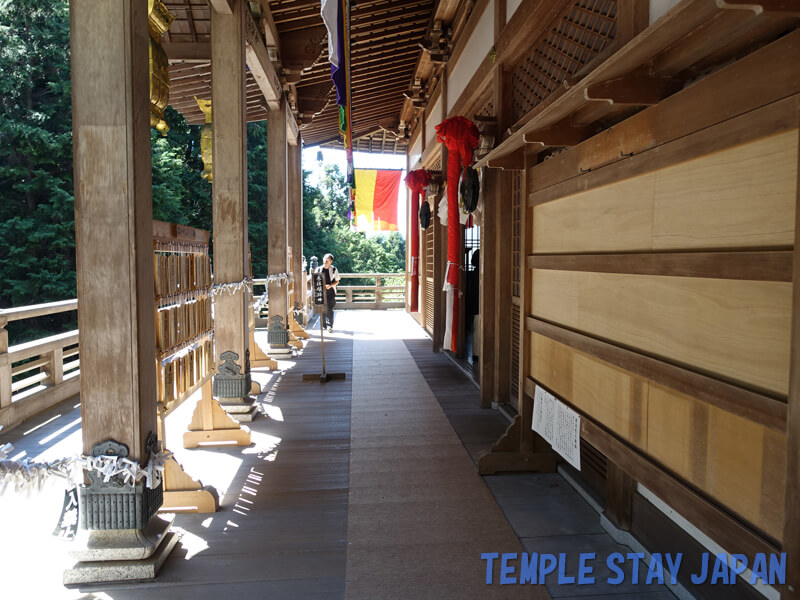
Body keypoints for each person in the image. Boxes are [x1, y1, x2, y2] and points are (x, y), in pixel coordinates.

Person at [316, 253, 340, 332]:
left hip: (330, 291)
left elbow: (337, 281)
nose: (326, 260)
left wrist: (330, 285)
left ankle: (330, 326)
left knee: (330, 308)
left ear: (331, 261)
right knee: (322, 308)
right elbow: (315, 280)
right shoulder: (318, 269)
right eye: (325, 258)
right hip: (321, 291)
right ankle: (323, 326)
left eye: (328, 259)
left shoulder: (334, 269)